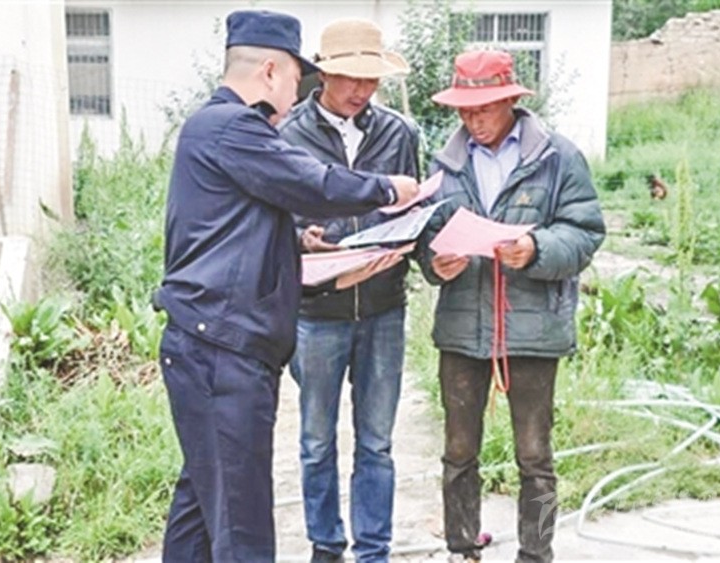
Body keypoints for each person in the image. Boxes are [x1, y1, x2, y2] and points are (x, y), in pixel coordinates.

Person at [155, 10, 420, 563]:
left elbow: (239, 230)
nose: (298, 94)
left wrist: (308, 252)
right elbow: (312, 184)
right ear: (271, 71)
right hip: (222, 350)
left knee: (203, 503)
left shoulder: (217, 128)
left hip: (212, 343)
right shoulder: (233, 127)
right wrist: (387, 189)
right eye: (299, 79)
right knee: (242, 523)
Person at [415, 50, 605, 563]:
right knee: (458, 450)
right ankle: (461, 547)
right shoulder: (444, 162)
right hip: (462, 328)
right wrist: (436, 262)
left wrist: (537, 248)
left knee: (535, 454)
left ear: (509, 102)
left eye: (483, 109)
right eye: (464, 110)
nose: (472, 120)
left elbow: (585, 231)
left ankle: (536, 553)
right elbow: (426, 234)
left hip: (533, 328)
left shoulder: (558, 157)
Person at [277, 18, 419, 563]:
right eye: (352, 78)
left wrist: (413, 240)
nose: (363, 90)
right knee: (316, 441)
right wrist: (301, 239)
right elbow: (271, 219)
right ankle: (326, 543)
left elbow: (413, 206)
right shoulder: (287, 135)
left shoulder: (399, 133)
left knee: (377, 441)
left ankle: (374, 550)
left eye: (372, 79)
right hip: (317, 311)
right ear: (324, 74)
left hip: (383, 307)